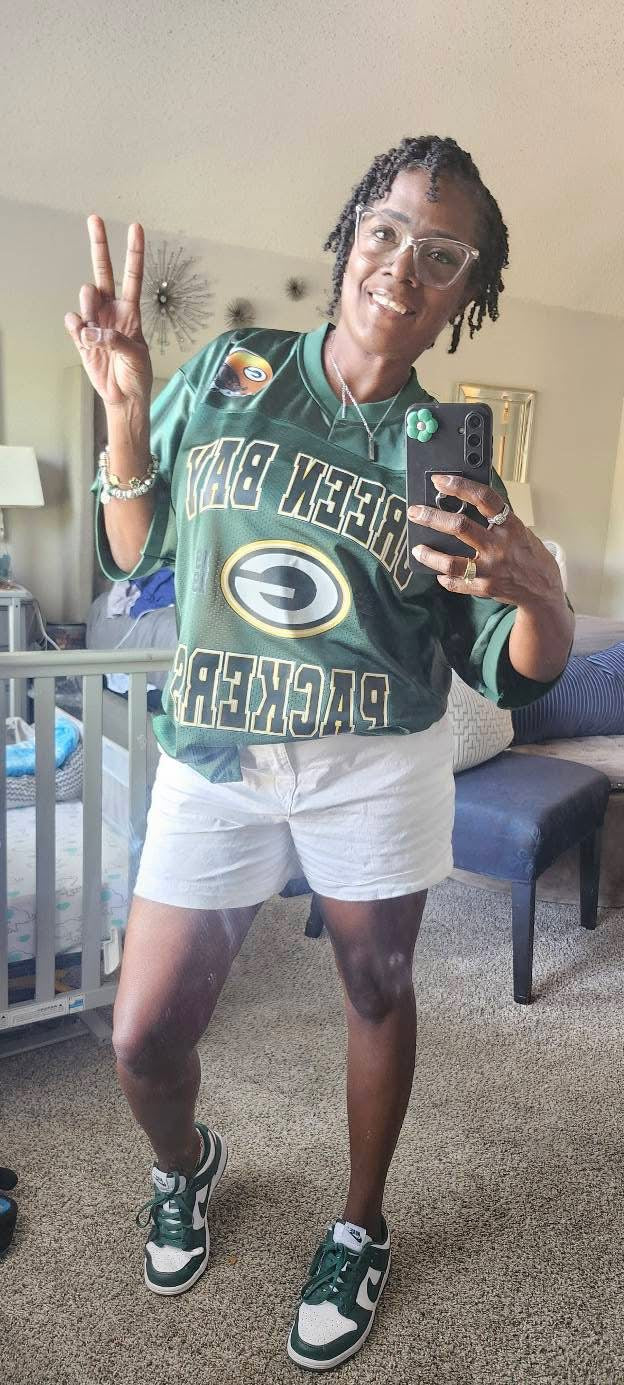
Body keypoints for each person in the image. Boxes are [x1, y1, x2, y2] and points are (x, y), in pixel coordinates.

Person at [65, 135, 573, 1371]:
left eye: (443, 255)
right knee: (142, 1037)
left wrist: (545, 593)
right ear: (351, 238)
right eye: (387, 231)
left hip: (374, 769)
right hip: (217, 754)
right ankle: (185, 1164)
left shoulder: (446, 451)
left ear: (465, 295)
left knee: (376, 989)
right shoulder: (232, 372)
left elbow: (510, 665)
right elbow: (135, 552)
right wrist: (126, 416)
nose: (404, 266)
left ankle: (359, 1221)